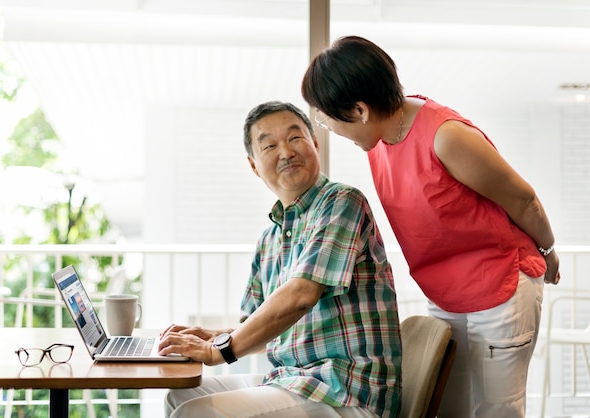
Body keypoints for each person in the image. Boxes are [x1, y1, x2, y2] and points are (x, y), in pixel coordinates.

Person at [301, 35, 560, 418]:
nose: (328, 128)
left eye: (326, 117)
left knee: (495, 410)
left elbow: (523, 199)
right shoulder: (380, 143)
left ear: (359, 110)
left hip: (501, 286)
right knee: (446, 407)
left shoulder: (445, 136)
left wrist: (548, 251)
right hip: (446, 294)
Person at [158, 101, 402, 418]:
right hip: (294, 382)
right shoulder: (270, 238)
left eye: (295, 138)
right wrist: (214, 335)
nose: (286, 152)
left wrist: (217, 350)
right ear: (254, 165)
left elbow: (301, 296)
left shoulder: (342, 202)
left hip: (348, 394)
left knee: (199, 413)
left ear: (315, 143)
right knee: (181, 397)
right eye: (269, 145)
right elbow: (259, 329)